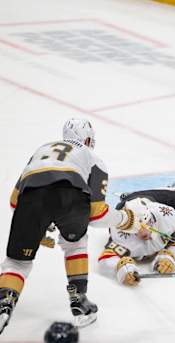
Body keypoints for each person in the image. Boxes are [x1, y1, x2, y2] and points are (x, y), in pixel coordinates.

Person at [0, 118, 142, 334]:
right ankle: (79, 302)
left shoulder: (41, 149)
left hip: (31, 198)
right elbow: (96, 214)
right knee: (75, 243)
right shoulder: (92, 157)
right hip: (71, 194)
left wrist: (38, 226)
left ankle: (4, 305)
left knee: (17, 263)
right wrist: (126, 220)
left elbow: (14, 201)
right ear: (87, 139)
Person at [98, 147, 175, 286]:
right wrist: (122, 268)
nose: (144, 232)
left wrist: (168, 256)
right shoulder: (120, 234)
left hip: (153, 200)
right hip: (132, 205)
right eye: (138, 227)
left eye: (147, 223)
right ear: (128, 225)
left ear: (151, 217)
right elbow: (106, 259)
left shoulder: (164, 215)